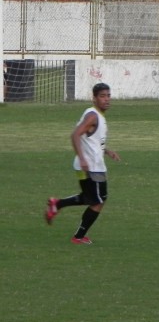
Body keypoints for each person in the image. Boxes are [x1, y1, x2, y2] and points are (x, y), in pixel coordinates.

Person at [44, 83, 121, 244]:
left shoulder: (96, 115)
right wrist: (83, 157)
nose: (106, 99)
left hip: (87, 165)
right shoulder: (92, 116)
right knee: (98, 201)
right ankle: (78, 236)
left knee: (91, 198)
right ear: (94, 98)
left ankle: (57, 204)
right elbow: (75, 135)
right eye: (102, 96)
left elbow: (91, 138)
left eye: (108, 95)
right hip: (91, 166)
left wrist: (106, 150)